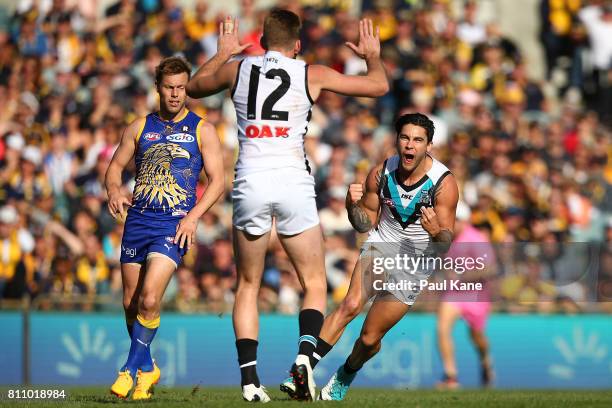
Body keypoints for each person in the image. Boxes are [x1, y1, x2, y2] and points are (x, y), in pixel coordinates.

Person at [186, 9, 388, 402]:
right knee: (313, 282)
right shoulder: (312, 73)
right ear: (297, 45)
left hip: (250, 181)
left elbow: (192, 87)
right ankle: (302, 360)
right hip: (294, 181)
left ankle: (248, 381)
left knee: (248, 284)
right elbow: (379, 86)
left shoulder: (238, 68)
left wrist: (223, 52)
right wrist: (372, 57)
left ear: (261, 41)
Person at [289, 113, 458, 400]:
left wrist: (434, 231)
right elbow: (364, 224)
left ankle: (346, 372)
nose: (410, 145)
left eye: (418, 140)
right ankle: (302, 371)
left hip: (416, 262)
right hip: (382, 245)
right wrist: (349, 205)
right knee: (350, 305)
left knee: (369, 338)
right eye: (405, 138)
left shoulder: (443, 183)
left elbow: (445, 244)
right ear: (396, 139)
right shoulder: (381, 173)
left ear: (428, 145)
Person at [105, 56, 224, 400]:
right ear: (157, 87)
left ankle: (128, 371)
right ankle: (147, 368)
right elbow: (114, 169)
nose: (176, 94)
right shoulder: (139, 127)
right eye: (170, 87)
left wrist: (194, 216)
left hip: (174, 225)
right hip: (137, 221)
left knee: (151, 297)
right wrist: (114, 189)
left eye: (182, 87)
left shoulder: (202, 129)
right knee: (131, 301)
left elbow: (218, 181)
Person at [436, 201, 496, 389]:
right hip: (454, 293)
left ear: (463, 221)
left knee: (477, 337)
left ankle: (486, 360)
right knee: (442, 327)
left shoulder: (476, 239)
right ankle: (450, 376)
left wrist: (462, 276)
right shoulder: (447, 239)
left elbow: (488, 269)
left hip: (476, 295)